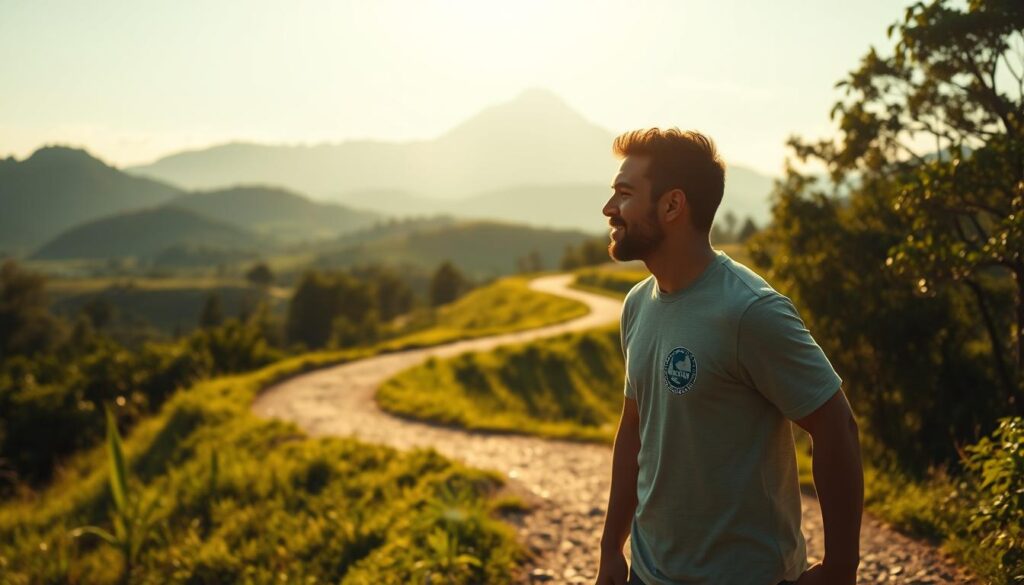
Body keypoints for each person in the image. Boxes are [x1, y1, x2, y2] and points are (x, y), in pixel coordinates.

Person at [595, 129, 863, 585]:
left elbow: (836, 426)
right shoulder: (637, 305)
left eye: (624, 194)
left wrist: (841, 568)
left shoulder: (750, 310)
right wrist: (610, 552)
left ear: (673, 205)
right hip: (648, 573)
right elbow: (635, 431)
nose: (609, 209)